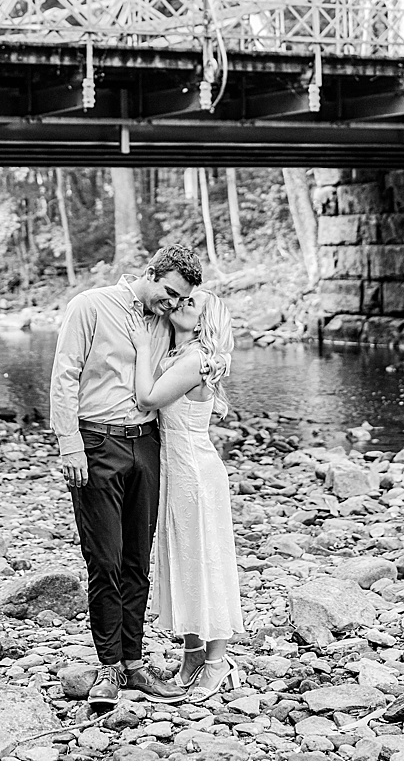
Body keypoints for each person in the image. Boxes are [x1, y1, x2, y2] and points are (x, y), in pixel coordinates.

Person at [49, 244, 202, 706]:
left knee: (138, 558)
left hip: (146, 443)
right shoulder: (90, 305)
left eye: (181, 298)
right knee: (106, 560)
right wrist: (69, 442)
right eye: (170, 293)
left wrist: (183, 324)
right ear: (150, 273)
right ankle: (108, 666)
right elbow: (64, 377)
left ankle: (134, 664)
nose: (172, 303)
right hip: (96, 443)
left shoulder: (165, 321)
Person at [132, 287, 245, 701]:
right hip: (176, 471)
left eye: (190, 303)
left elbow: (147, 398)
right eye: (180, 298)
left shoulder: (196, 358)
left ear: (202, 323)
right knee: (184, 560)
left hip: (195, 472)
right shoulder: (179, 354)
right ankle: (193, 653)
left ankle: (217, 662)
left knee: (204, 560)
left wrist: (143, 347)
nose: (180, 303)